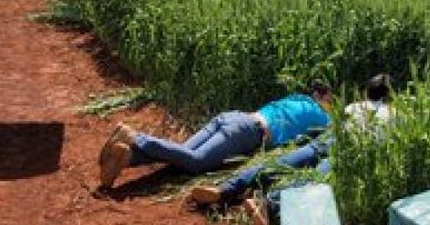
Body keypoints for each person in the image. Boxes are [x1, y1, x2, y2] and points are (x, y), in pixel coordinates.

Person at [190, 72, 395, 214]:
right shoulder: (395, 114)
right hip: (351, 149)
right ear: (391, 94)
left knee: (285, 162)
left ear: (369, 91)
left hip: (330, 138)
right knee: (316, 178)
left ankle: (226, 188)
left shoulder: (354, 106)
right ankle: (268, 206)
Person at [98, 82, 331, 189]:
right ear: (325, 100)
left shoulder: (296, 99)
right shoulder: (323, 117)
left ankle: (129, 157)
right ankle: (136, 137)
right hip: (247, 132)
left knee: (181, 156)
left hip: (233, 118)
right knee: (196, 162)